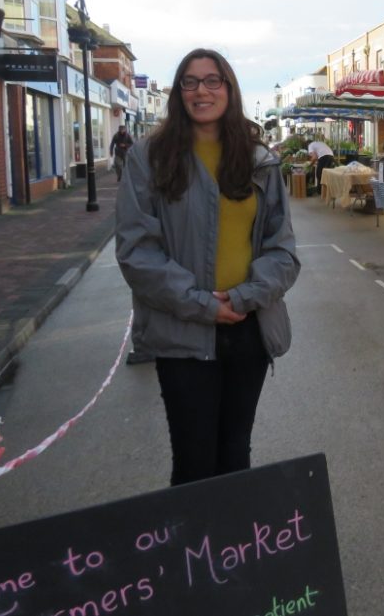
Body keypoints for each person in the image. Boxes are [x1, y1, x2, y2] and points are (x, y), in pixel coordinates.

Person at [115, 48, 300, 486]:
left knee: (235, 454)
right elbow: (137, 253)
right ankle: (193, 554)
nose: (202, 91)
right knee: (194, 462)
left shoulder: (259, 160)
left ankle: (235, 552)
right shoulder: (150, 157)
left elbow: (283, 251)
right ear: (178, 92)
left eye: (212, 80)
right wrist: (203, 305)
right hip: (182, 334)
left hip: (248, 326)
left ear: (229, 89)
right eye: (190, 82)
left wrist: (244, 297)